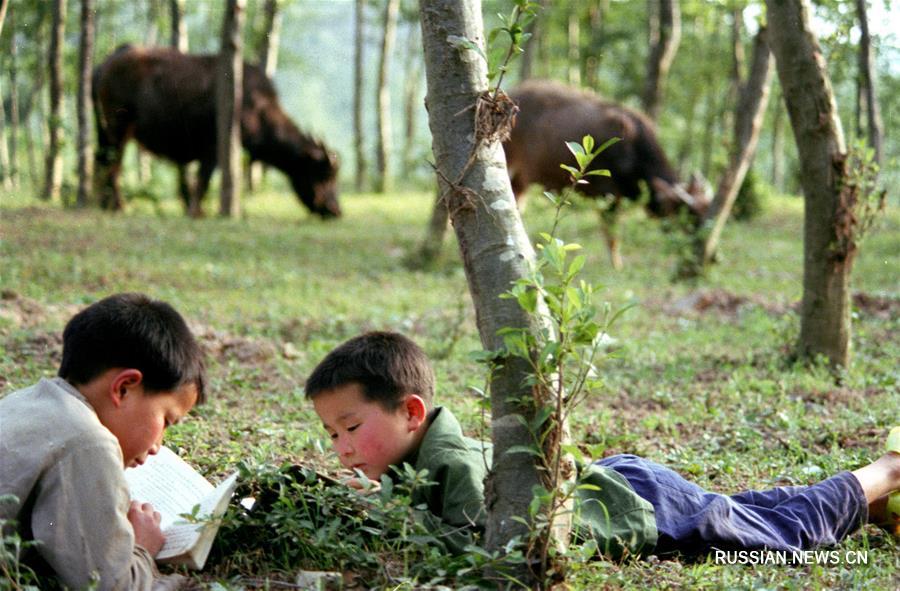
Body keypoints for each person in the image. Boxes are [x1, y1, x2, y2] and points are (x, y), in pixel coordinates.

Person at [305, 331, 900, 558]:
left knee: (783, 537)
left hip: (638, 508)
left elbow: (479, 558)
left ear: (412, 412)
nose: (342, 448)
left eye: (351, 429)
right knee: (750, 510)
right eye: (332, 434)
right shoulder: (413, 463)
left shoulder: (452, 464)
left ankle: (887, 471)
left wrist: (383, 515)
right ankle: (870, 507)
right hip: (614, 488)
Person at [0, 293, 207, 590]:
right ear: (124, 387)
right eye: (166, 421)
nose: (158, 445)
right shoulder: (88, 442)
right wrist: (142, 548)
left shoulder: (23, 401)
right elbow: (112, 585)